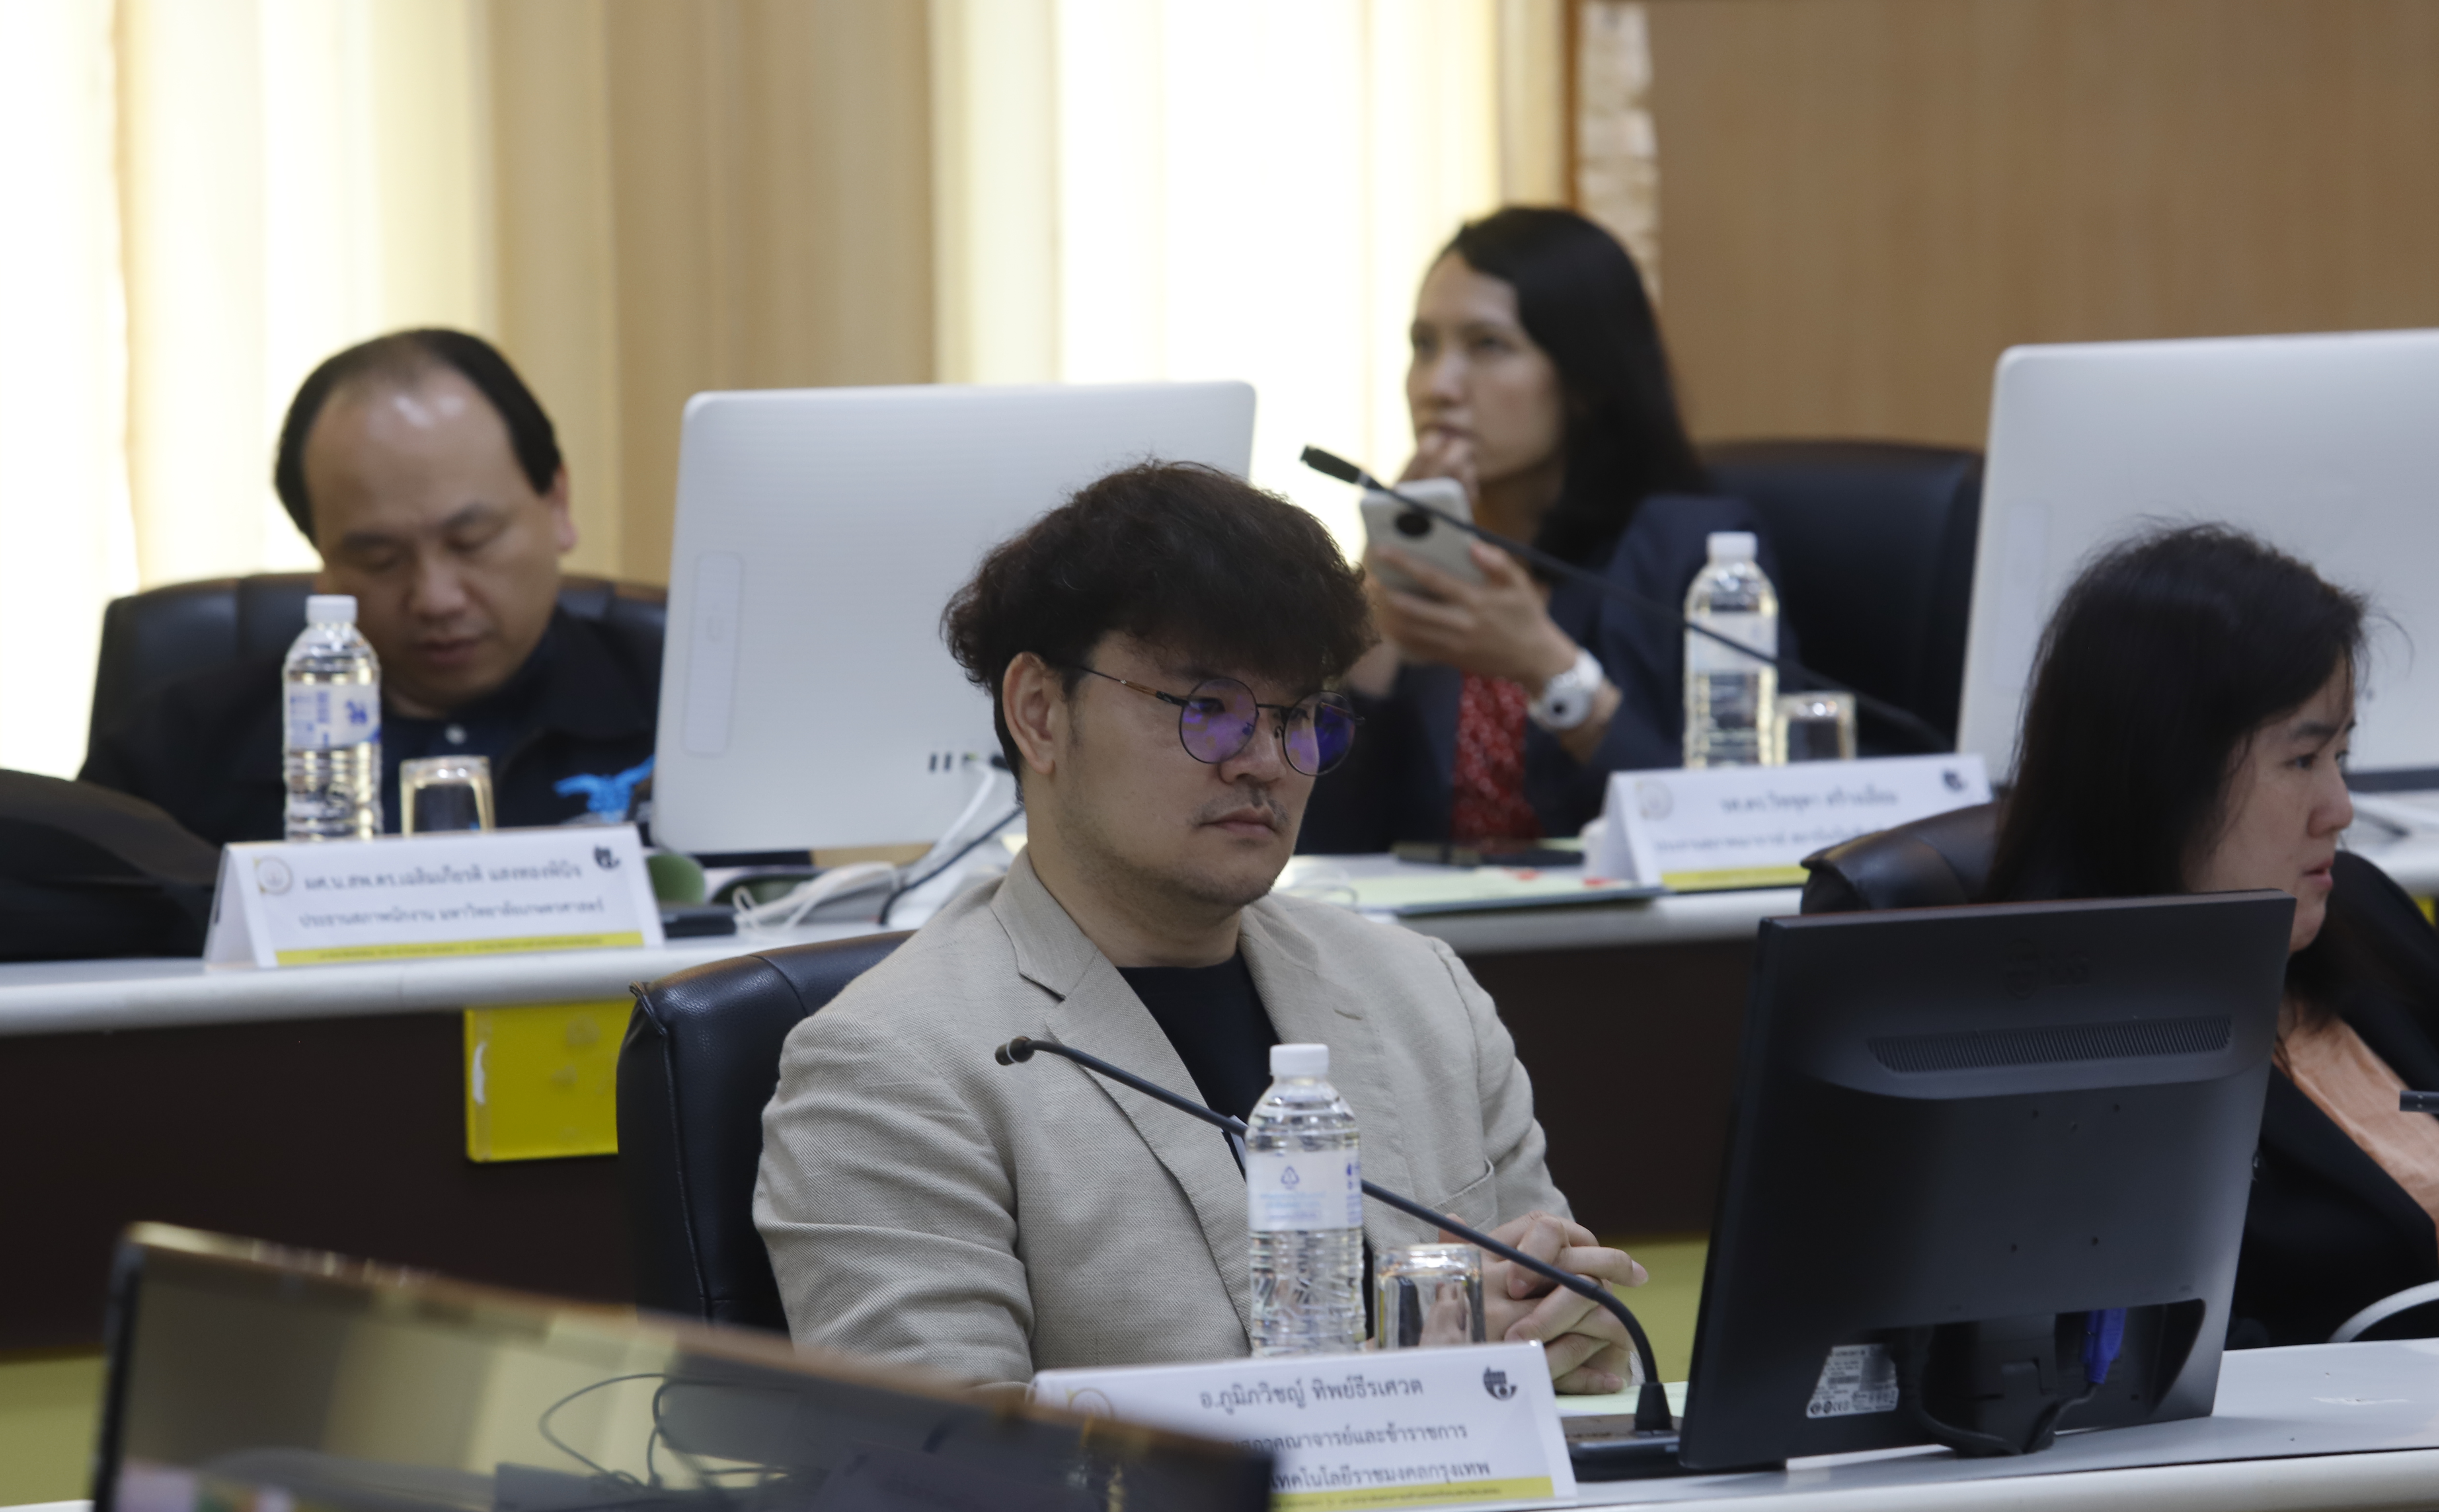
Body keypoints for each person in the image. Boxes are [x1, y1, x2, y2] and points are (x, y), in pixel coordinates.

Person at [755, 462, 1647, 1390]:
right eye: (1208, 710)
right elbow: (950, 1460)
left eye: (1299, 715)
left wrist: (1572, 1336)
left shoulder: (1424, 996)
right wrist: (1400, 1379)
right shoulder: (890, 1065)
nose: (1265, 761)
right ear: (1039, 714)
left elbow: (1571, 1366)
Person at [1988, 524, 2439, 1347]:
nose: (2341, 809)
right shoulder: (2068, 1056)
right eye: (2303, 762)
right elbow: (2174, 1360)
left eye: (2343, 756)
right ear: (2163, 776)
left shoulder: (2363, 912)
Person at [1299, 206, 1796, 851]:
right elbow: (1320, 842)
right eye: (1424, 346)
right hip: (1428, 918)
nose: (1438, 386)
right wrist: (1370, 617)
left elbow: (1741, 826)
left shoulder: (1695, 555)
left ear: (1586, 380)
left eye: (1487, 345)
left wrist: (1547, 666)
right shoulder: (1422, 560)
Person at [82, 329, 658, 844]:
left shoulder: (679, 712)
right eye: (379, 560)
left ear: (557, 503)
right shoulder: (177, 752)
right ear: (322, 557)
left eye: (472, 541)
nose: (436, 599)